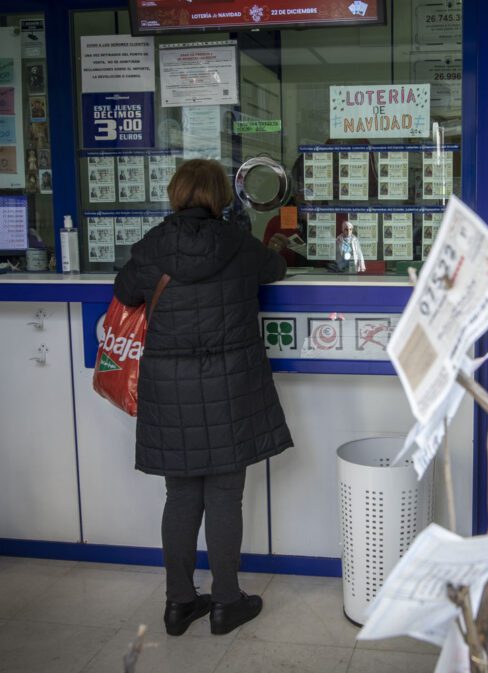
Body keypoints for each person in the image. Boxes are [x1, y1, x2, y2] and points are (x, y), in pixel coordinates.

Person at [113, 159, 293, 637]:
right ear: (220, 197)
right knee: (224, 496)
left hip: (169, 392)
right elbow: (275, 268)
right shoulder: (235, 242)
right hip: (229, 388)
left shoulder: (153, 245)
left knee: (180, 496)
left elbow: (125, 291)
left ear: (175, 193)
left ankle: (178, 604)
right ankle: (226, 603)